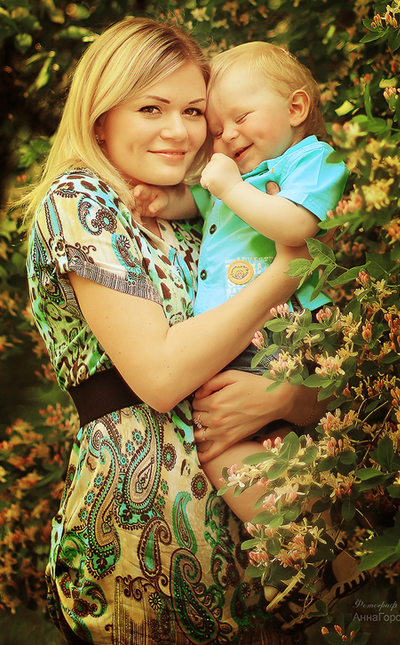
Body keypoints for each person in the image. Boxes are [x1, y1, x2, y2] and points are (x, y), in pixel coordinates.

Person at [23, 17, 321, 645]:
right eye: (151, 108)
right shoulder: (82, 202)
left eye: (193, 112)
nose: (180, 132)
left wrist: (287, 397)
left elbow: (291, 364)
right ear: (101, 116)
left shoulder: (204, 212)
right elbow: (160, 377)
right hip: (143, 544)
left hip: (245, 548)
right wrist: (285, 272)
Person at [133, 41, 348, 527]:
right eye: (217, 130)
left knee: (221, 440)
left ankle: (297, 540)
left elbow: (296, 229)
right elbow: (200, 204)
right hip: (243, 334)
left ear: (296, 108)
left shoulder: (311, 161)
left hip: (283, 325)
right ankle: (302, 533)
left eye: (240, 117)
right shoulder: (244, 176)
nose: (227, 136)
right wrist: (164, 204)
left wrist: (230, 187)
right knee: (244, 441)